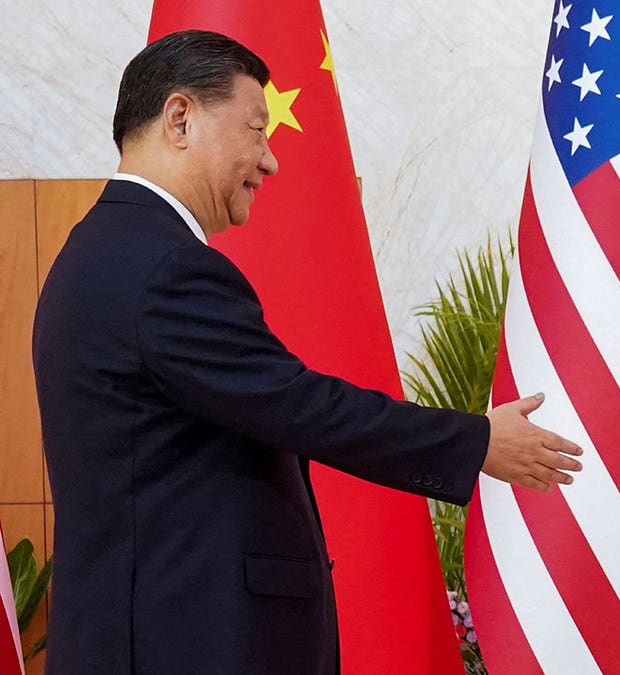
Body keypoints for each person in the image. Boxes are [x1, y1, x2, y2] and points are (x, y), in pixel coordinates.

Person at [32, 30, 582, 674]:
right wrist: (475, 443)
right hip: (183, 644)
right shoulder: (162, 268)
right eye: (256, 130)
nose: (270, 162)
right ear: (180, 118)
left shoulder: (100, 250)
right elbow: (297, 404)